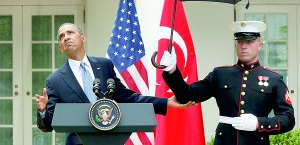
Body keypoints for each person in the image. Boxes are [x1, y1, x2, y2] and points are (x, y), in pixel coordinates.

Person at [35, 23, 193, 145]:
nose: (66, 37)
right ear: (61, 47)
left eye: (70, 33)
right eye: (61, 36)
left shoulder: (104, 66)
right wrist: (42, 111)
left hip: (110, 139)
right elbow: (48, 125)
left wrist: (166, 103)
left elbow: (128, 97)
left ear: (83, 38)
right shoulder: (55, 80)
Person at [160, 21, 295, 145]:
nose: (244, 46)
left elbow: (288, 119)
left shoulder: (273, 79)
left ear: (259, 45)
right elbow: (187, 96)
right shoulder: (220, 74)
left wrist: (258, 123)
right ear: (235, 44)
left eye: (249, 41)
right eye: (240, 41)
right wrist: (172, 70)